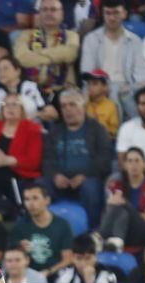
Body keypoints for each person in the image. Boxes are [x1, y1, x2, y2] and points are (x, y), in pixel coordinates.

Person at [40, 89, 113, 229]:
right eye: (64, 106)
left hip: (87, 179)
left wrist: (84, 176)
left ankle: (94, 230)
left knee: (90, 188)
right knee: (40, 186)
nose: (67, 110)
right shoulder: (55, 132)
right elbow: (47, 159)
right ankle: (43, 228)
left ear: (83, 106)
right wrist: (55, 176)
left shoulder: (97, 130)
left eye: (72, 105)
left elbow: (104, 159)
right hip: (60, 181)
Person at [0, 92, 43, 219]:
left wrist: (8, 160)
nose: (10, 108)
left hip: (16, 175)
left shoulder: (32, 129)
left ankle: (6, 210)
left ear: (23, 109)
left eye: (15, 105)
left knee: (2, 180)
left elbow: (34, 161)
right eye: (6, 104)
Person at [79, 0, 145, 119]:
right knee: (114, 91)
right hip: (98, 85)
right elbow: (87, 72)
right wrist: (102, 87)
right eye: (108, 13)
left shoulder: (135, 41)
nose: (111, 17)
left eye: (116, 13)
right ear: (103, 14)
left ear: (124, 14)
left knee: (119, 91)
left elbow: (141, 76)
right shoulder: (91, 39)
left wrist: (129, 87)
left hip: (127, 87)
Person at [14, 0, 80, 100]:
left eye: (53, 10)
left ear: (62, 14)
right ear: (39, 14)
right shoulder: (26, 35)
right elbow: (21, 58)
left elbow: (70, 54)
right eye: (44, 9)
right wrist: (57, 55)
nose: (49, 13)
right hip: (32, 91)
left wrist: (36, 54)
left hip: (64, 90)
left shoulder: (71, 35)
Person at [101, 147, 145, 251]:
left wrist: (124, 204)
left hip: (142, 231)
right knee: (121, 212)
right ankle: (117, 242)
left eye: (137, 161)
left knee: (122, 208)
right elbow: (110, 209)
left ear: (144, 164)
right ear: (125, 165)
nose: (134, 165)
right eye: (130, 161)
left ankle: (100, 236)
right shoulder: (117, 183)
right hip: (121, 227)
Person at [9, 183, 74, 279]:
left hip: (56, 275)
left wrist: (48, 272)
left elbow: (68, 259)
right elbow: (11, 259)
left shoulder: (62, 225)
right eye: (27, 199)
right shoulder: (20, 227)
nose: (30, 204)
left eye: (35, 198)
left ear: (47, 200)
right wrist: (21, 250)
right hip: (27, 276)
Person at [0, 56, 51, 121]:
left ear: (18, 71)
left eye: (5, 68)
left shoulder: (31, 86)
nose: (0, 72)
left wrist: (33, 115)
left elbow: (51, 113)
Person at [54, 234, 119, 283]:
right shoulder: (64, 275)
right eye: (79, 258)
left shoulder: (107, 275)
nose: (83, 263)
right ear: (73, 258)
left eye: (88, 258)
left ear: (95, 257)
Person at [83, 71, 120, 139]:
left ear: (105, 87)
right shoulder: (83, 104)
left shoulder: (111, 105)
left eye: (94, 84)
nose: (89, 87)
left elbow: (114, 132)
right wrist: (83, 105)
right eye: (88, 84)